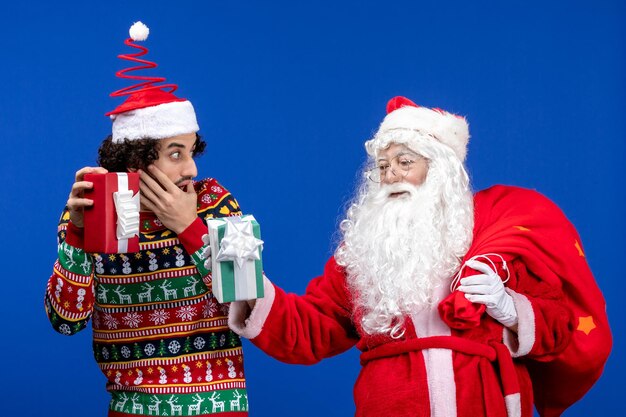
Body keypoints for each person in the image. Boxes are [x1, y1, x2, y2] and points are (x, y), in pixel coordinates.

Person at [226, 96, 611, 417]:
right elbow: (309, 331)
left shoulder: (495, 240)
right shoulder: (364, 253)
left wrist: (510, 308)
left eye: (405, 162)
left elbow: (559, 324)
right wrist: (244, 280)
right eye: (382, 166)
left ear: (439, 169)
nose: (391, 174)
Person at [45, 22, 249, 416]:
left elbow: (247, 300)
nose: (191, 168)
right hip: (130, 406)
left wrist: (190, 227)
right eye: (176, 154)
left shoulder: (214, 201)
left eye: (192, 151)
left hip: (218, 404)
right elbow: (66, 320)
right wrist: (76, 235)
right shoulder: (91, 210)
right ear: (136, 158)